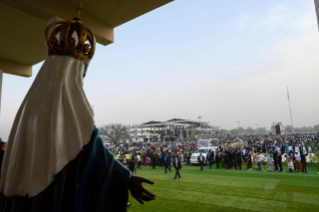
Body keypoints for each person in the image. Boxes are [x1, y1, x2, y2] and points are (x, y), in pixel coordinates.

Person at [0, 13, 156, 211]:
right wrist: (126, 178)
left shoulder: (28, 109)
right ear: (73, 70)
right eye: (82, 71)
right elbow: (92, 154)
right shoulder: (70, 108)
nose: (82, 76)